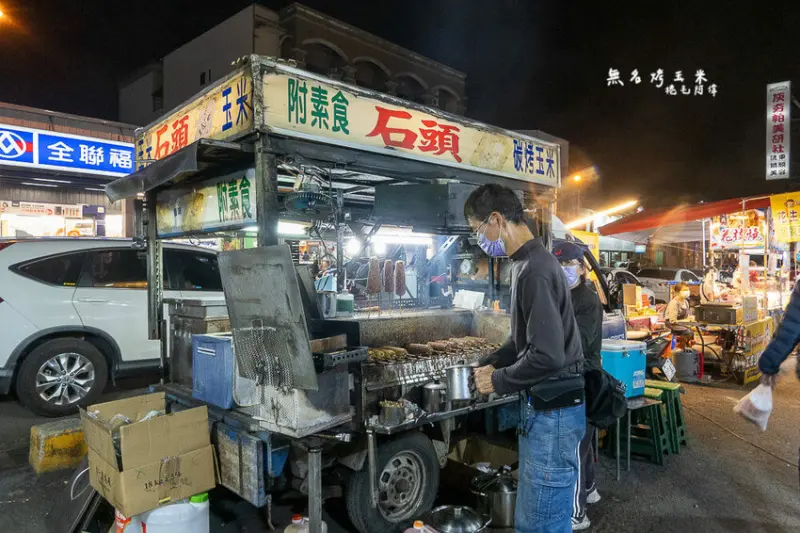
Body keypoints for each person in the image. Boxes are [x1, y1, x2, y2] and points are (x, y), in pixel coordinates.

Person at [466, 184, 585, 533]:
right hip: (551, 410)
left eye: (477, 230)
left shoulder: (533, 269)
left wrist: (498, 381)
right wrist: (492, 360)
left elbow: (547, 355)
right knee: (538, 516)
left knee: (539, 523)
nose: (479, 240)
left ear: (497, 220)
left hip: (554, 412)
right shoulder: (529, 263)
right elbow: (526, 340)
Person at [552, 241, 603, 531]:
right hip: (569, 373)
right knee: (584, 440)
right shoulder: (559, 294)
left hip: (583, 374)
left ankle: (576, 514)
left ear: (582, 269)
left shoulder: (587, 298)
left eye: (569, 266)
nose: (563, 271)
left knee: (575, 445)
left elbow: (580, 342)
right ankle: (591, 487)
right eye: (558, 266)